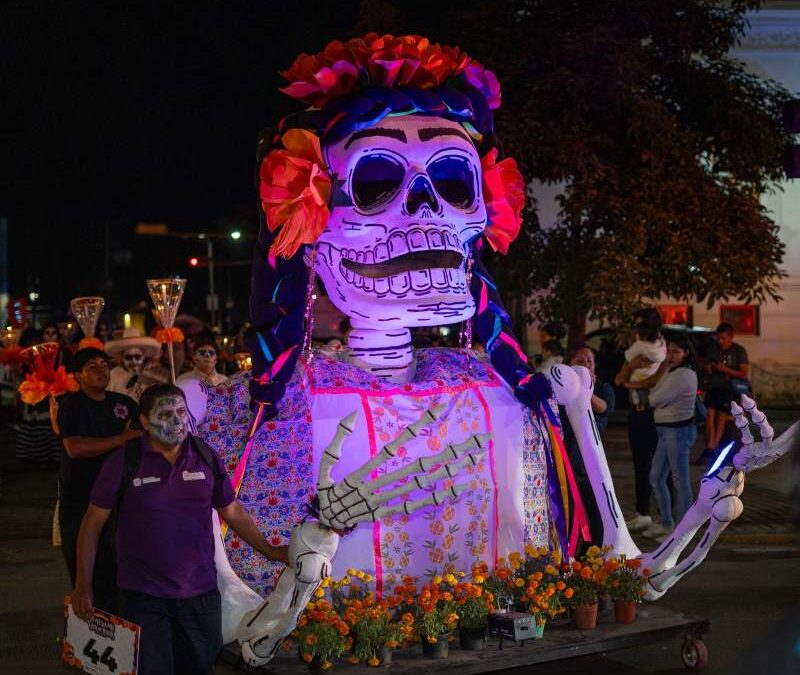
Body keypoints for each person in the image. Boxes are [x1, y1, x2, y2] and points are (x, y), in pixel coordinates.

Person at [71, 384, 289, 675]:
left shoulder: (205, 456)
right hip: (142, 596)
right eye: (165, 413)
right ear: (145, 422)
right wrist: (83, 586)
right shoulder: (123, 461)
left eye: (180, 411)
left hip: (199, 595)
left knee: (199, 668)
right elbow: (91, 524)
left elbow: (233, 511)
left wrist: (272, 551)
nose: (176, 421)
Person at [57, 347, 141, 613]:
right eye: (92, 366)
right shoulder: (71, 405)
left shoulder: (123, 403)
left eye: (103, 365)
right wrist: (119, 439)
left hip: (120, 499)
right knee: (89, 572)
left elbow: (141, 433)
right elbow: (75, 447)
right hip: (81, 499)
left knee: (121, 570)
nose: (101, 370)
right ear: (78, 376)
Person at [643, 335, 698, 541]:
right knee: (656, 477)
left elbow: (655, 398)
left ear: (686, 353)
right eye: (670, 351)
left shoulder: (685, 374)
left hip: (678, 432)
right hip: (665, 431)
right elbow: (655, 394)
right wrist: (655, 397)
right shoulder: (670, 371)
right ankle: (667, 522)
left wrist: (656, 398)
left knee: (679, 480)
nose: (671, 355)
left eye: (676, 352)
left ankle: (683, 530)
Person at [614, 309, 665, 532]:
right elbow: (619, 378)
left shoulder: (661, 350)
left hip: (654, 412)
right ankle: (643, 512)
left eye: (638, 327)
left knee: (662, 466)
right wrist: (632, 368)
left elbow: (656, 380)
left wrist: (632, 382)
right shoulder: (639, 354)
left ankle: (666, 515)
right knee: (641, 465)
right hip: (637, 412)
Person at [560, 345, 616, 544]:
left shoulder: (602, 388)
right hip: (567, 457)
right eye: (579, 361)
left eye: (589, 361)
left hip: (590, 461)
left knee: (595, 507)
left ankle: (598, 546)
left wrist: (585, 390)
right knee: (570, 507)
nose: (585, 365)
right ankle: (571, 547)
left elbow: (604, 408)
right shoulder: (562, 392)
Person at [698, 322, 749, 466]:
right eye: (719, 338)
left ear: (731, 337)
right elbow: (707, 366)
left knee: (721, 418)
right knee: (709, 417)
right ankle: (710, 447)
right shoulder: (714, 350)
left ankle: (712, 447)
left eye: (724, 338)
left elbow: (743, 373)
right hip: (714, 387)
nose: (721, 342)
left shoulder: (738, 350)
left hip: (728, 389)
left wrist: (725, 369)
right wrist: (708, 368)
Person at [106, 328, 168, 402]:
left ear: (144, 356)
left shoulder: (156, 373)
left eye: (137, 357)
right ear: (122, 358)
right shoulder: (113, 375)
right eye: (128, 357)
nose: (133, 361)